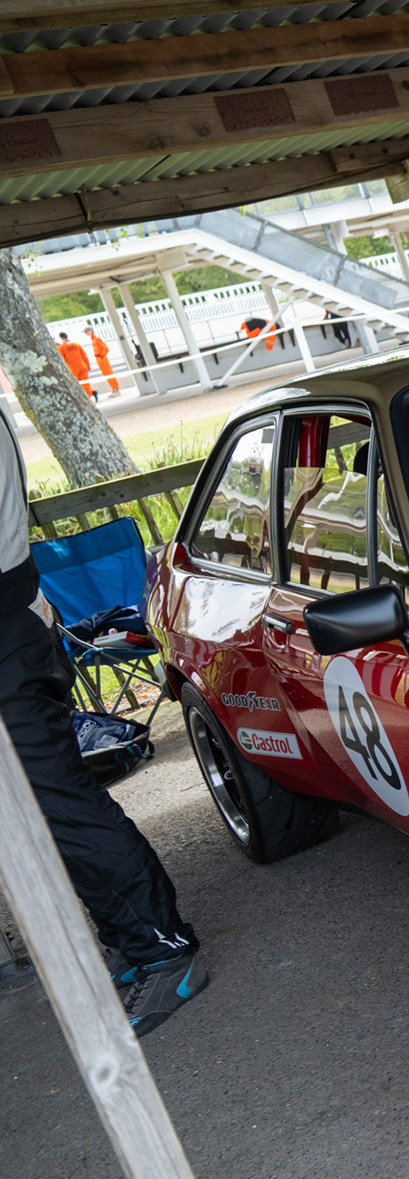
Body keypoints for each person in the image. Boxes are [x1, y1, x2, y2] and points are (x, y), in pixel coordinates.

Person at [0, 416, 206, 1035]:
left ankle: (163, 952)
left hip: (8, 632)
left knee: (60, 807)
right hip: (17, 626)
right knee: (45, 814)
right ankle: (130, 938)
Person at [54, 332, 93, 400]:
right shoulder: (76, 345)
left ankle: (82, 398)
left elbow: (62, 360)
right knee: (86, 383)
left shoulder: (62, 347)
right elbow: (84, 356)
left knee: (76, 384)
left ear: (61, 338)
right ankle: (89, 396)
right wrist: (88, 365)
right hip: (82, 366)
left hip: (72, 368)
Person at [83, 327, 120, 397]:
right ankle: (113, 388)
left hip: (101, 358)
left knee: (109, 373)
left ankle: (116, 388)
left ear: (90, 331)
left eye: (86, 331)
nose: (86, 333)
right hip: (98, 358)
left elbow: (105, 348)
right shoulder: (93, 339)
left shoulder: (96, 338)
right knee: (106, 374)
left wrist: (102, 355)